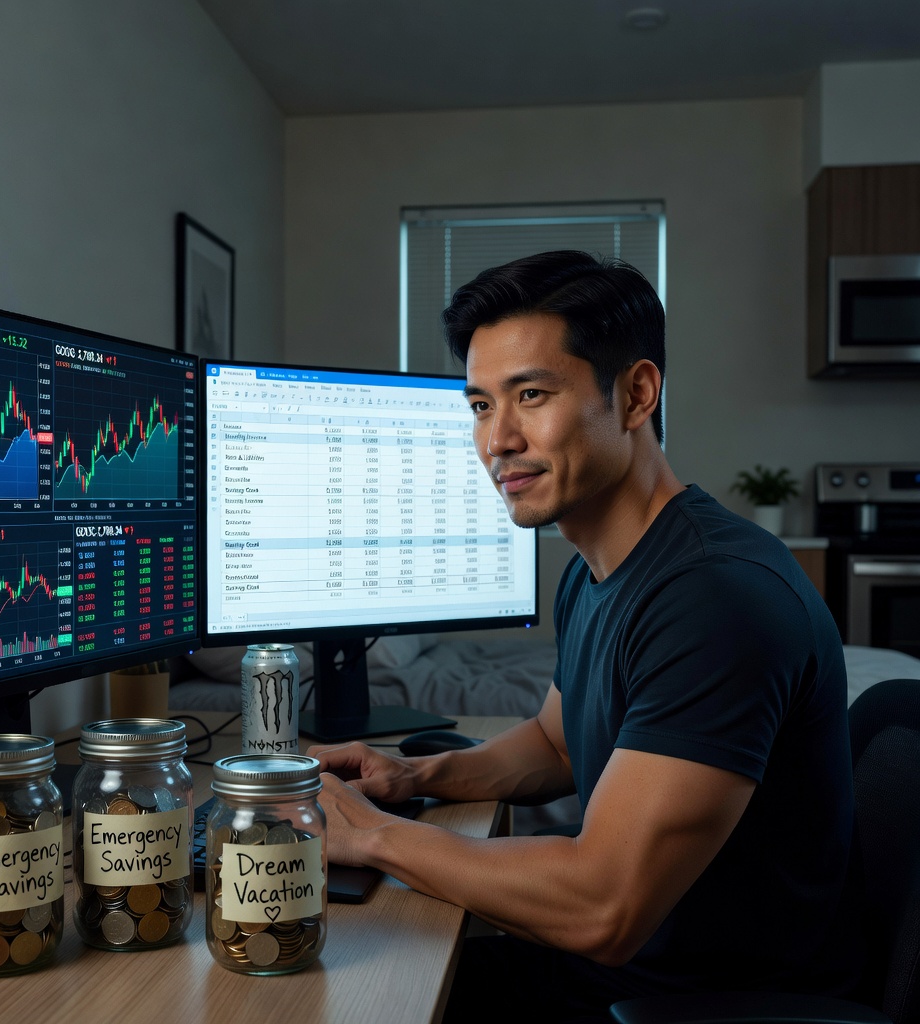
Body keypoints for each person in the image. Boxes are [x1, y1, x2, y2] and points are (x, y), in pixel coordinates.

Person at [309, 251, 863, 1020]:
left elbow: (603, 907)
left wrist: (372, 837)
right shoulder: (596, 567)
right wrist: (412, 779)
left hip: (691, 1000)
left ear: (636, 394)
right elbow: (558, 743)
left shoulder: (714, 597)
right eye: (479, 405)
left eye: (530, 395)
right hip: (626, 973)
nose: (497, 439)